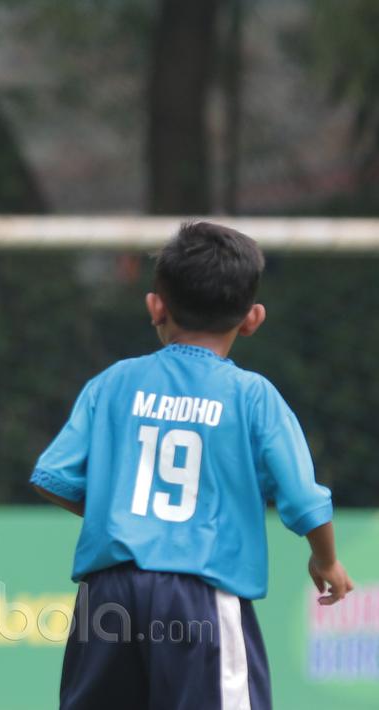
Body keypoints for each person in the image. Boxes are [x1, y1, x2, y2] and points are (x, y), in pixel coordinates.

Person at [30, 221, 354, 710]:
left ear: (155, 305)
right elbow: (306, 501)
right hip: (198, 590)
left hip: (108, 593)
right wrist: (325, 559)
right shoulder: (251, 396)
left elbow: (53, 477)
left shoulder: (113, 382)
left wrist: (122, 513)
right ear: (252, 318)